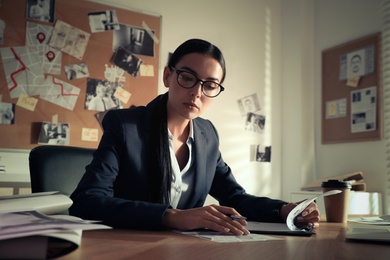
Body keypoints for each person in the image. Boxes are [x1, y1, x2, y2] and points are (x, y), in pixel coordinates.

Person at [70, 39, 319, 236]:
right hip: (130, 248)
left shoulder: (207, 135)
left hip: (187, 250)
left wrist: (285, 210)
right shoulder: (126, 126)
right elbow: (86, 201)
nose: (196, 92)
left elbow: (234, 197)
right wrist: (171, 216)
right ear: (168, 76)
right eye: (187, 78)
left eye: (209, 85)